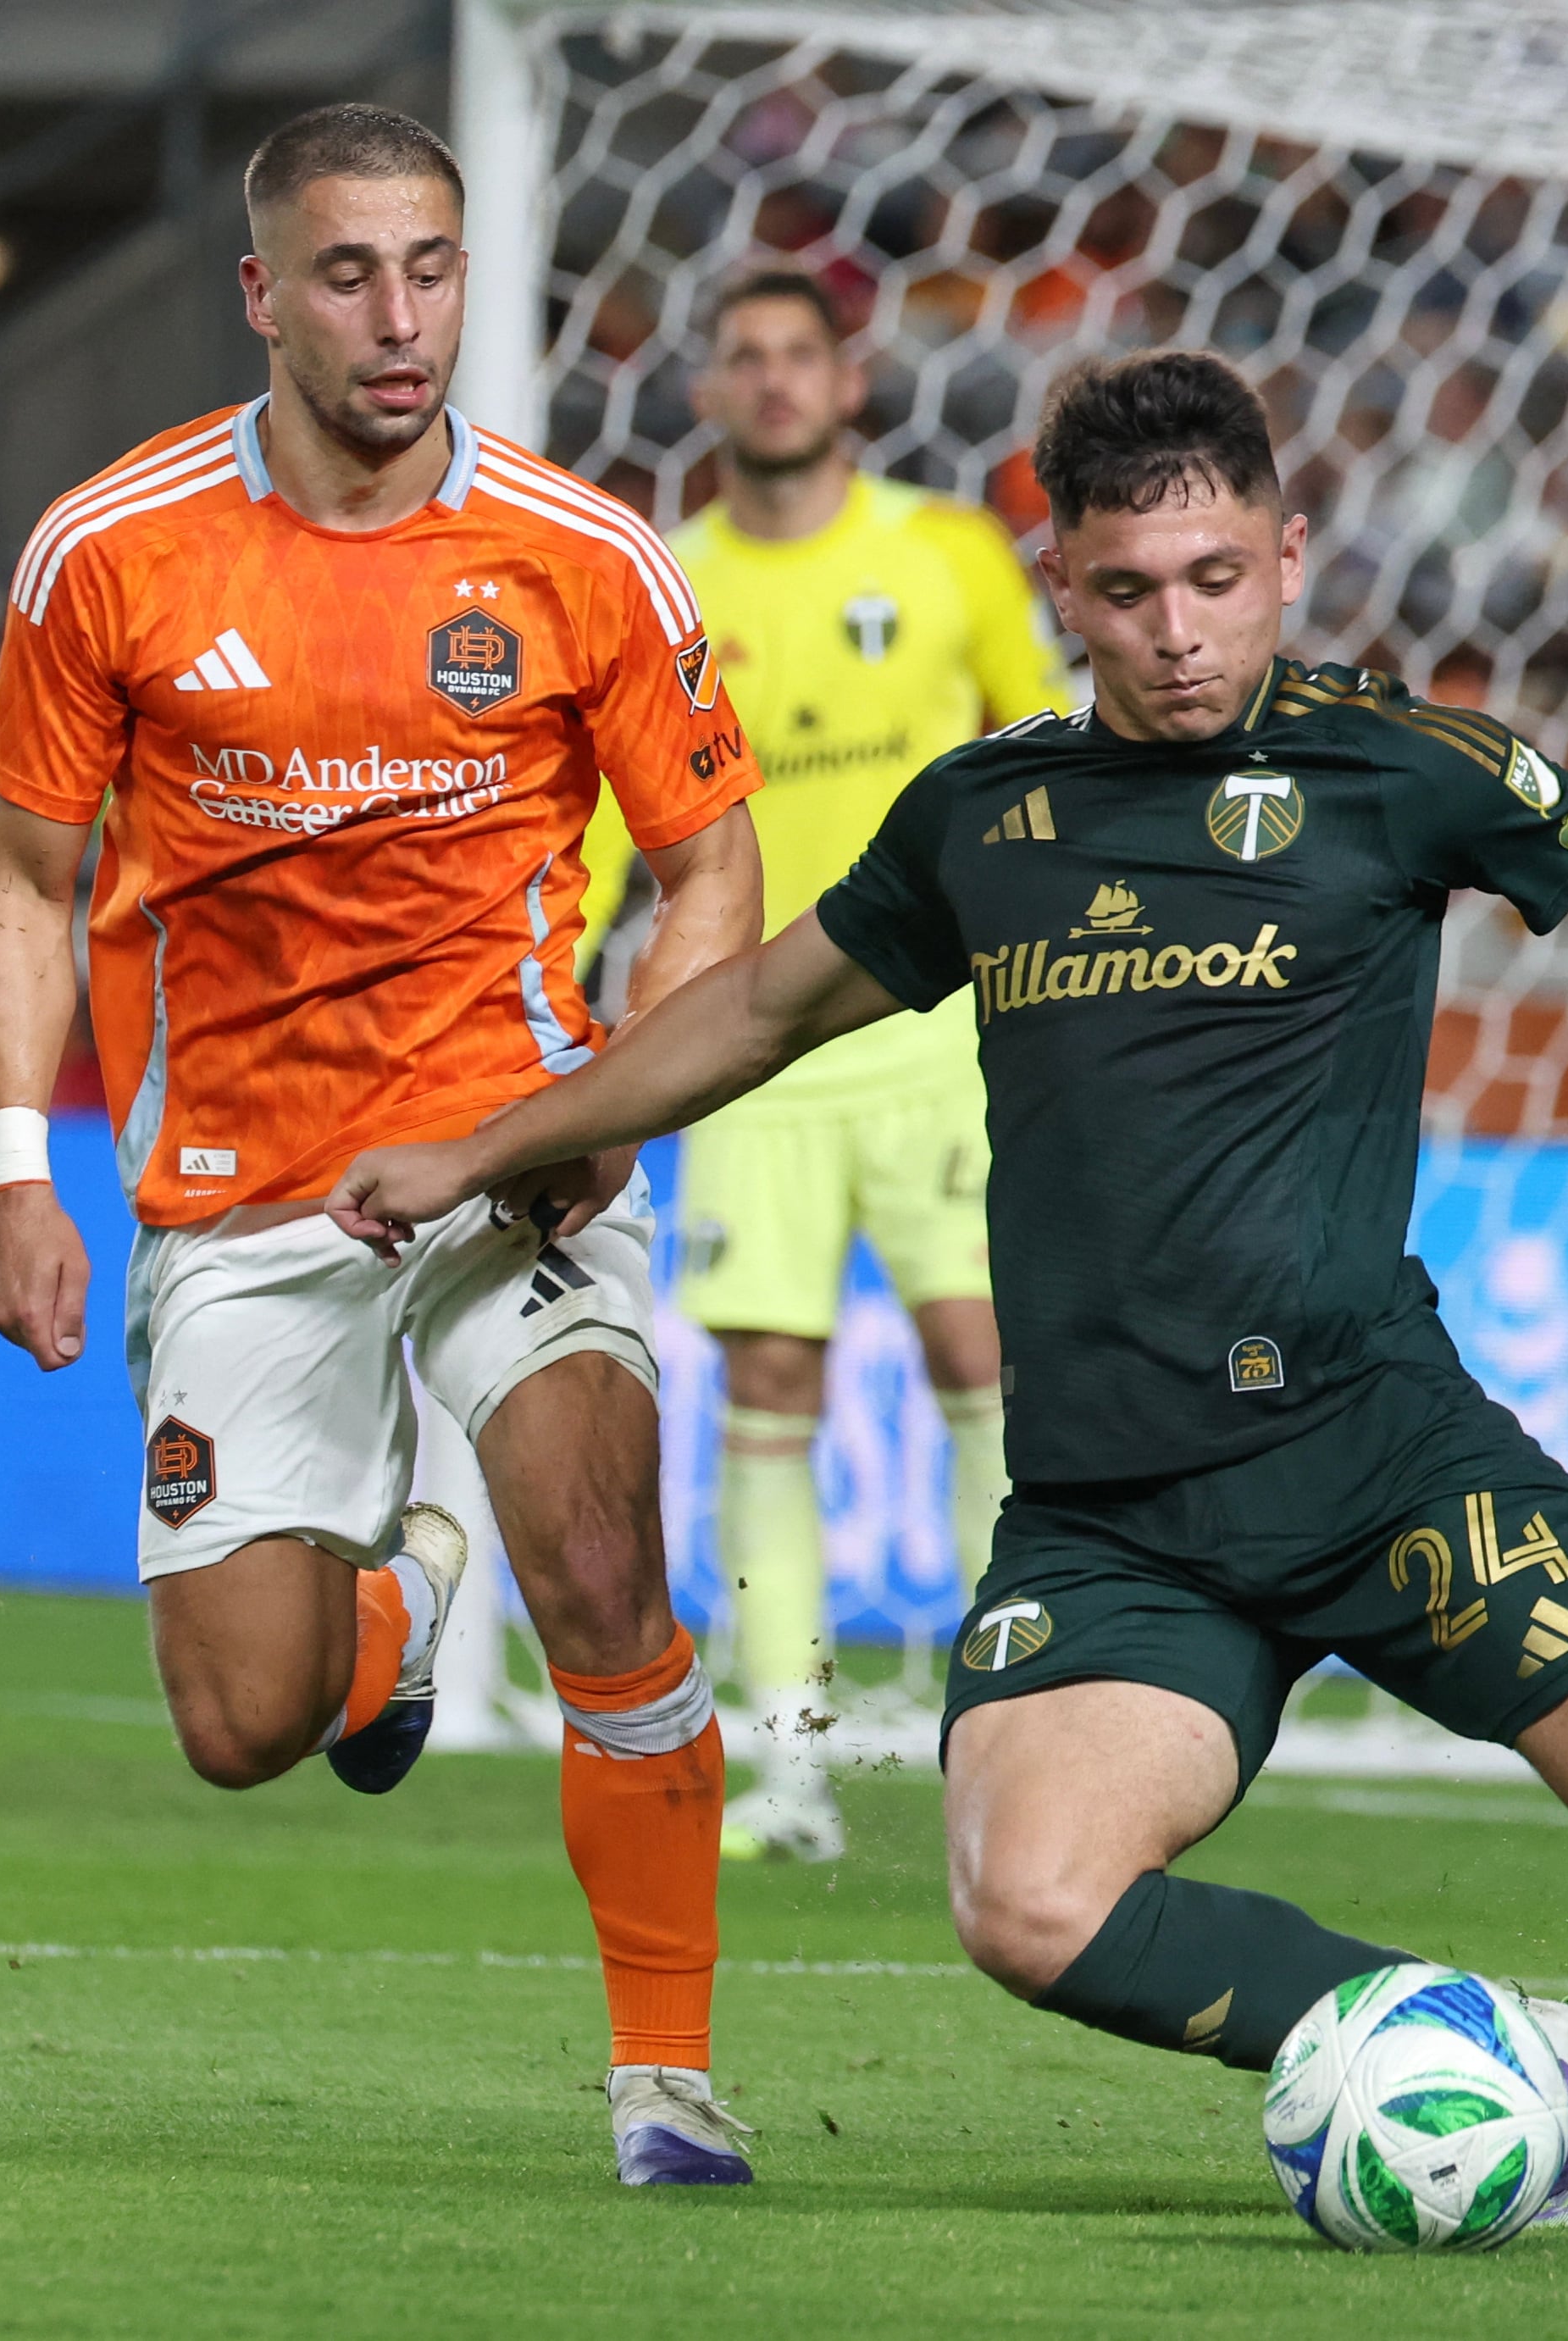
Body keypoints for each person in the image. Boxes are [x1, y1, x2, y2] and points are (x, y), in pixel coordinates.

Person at [330, 350, 1568, 2225]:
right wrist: (489, 1142)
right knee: (1024, 1904)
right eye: (1126, 590)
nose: (1176, 633)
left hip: (1377, 1457)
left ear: (1288, 555)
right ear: (1062, 586)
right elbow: (763, 1009)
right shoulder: (986, 821)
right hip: (1120, 1516)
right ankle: (1484, 2051)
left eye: (1216, 580)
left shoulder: (1405, 770)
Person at [0, 102, 767, 2187]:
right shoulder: (110, 550)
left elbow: (712, 880)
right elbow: (23, 881)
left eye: (430, 269)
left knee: (600, 1557)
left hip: (510, 1152)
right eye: (347, 273)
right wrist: (8, 1170)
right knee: (245, 1726)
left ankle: (664, 2076)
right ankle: (398, 1606)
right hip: (240, 1181)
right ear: (261, 294)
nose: (399, 319)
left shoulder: (583, 555)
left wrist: (608, 1111)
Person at [575, 269, 1074, 1864]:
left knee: (980, 1355)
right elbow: (608, 810)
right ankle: (787, 1759)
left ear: (850, 384)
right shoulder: (665, 579)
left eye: (802, 355)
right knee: (766, 1381)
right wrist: (562, 977)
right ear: (707, 392)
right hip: (755, 1045)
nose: (776, 382)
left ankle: (1015, 1726)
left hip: (937, 1036)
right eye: (745, 359)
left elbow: (1049, 750)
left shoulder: (946, 556)